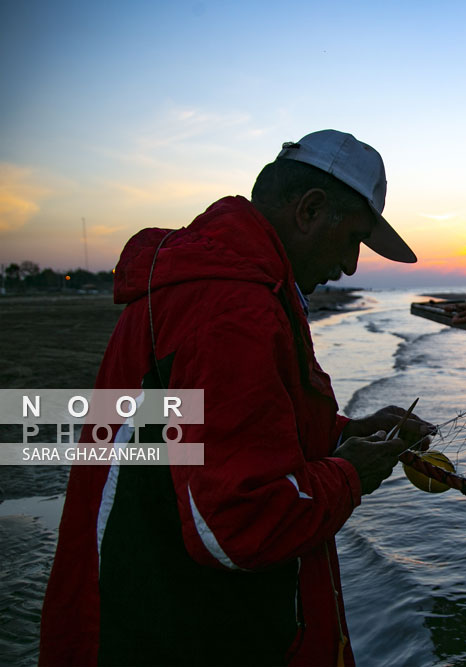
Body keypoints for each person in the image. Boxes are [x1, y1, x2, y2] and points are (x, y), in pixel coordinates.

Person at [38, 130, 435, 666]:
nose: (351, 266)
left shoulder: (228, 285)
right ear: (310, 210)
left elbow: (201, 431)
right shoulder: (229, 308)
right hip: (162, 632)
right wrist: (350, 474)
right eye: (353, 239)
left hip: (155, 605)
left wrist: (346, 434)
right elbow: (238, 524)